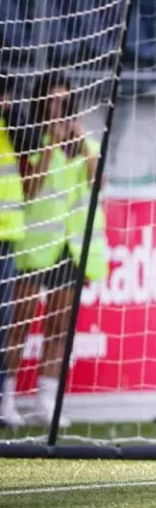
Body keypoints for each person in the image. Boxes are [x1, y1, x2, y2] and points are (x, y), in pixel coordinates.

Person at [4, 73, 109, 428]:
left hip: (71, 246)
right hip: (35, 245)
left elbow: (99, 185)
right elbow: (30, 190)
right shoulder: (32, 140)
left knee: (60, 326)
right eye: (52, 101)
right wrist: (49, 147)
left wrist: (78, 140)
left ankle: (46, 400)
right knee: (18, 324)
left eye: (64, 102)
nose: (58, 108)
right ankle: (7, 398)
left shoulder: (83, 143)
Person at [0, 71, 37, 428]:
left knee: (4, 322)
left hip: (7, 235)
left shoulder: (12, 122)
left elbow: (31, 149)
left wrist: (10, 109)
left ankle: (3, 401)